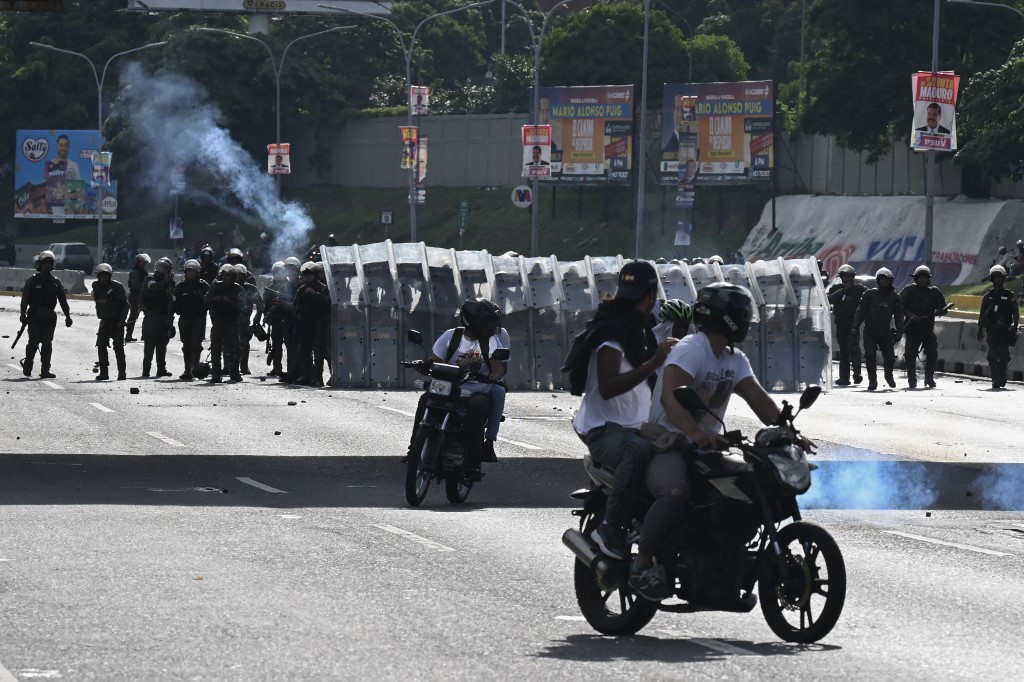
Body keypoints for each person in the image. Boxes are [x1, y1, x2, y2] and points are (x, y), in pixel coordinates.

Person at [637, 282, 813, 603]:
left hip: (706, 446)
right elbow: (671, 396)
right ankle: (643, 563)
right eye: (742, 313)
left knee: (746, 494)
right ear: (727, 317)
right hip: (668, 442)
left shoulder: (734, 359)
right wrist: (695, 433)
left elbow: (760, 401)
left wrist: (788, 430)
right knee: (676, 492)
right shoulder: (692, 348)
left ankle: (726, 571)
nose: (747, 320)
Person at [571, 261, 676, 561]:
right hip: (606, 429)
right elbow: (608, 386)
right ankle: (610, 526)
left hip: (638, 424)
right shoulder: (612, 332)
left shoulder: (639, 329)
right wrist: (653, 363)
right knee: (639, 450)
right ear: (652, 295)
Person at [407, 299, 510, 481]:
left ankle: (473, 463)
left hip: (478, 388)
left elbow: (498, 369)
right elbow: (436, 362)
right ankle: (414, 447)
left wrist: (494, 375)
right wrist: (425, 366)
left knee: (478, 409)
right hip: (451, 386)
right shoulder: (450, 337)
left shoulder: (492, 341)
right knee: (425, 400)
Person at [19, 250, 72, 379]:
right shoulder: (32, 281)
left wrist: (68, 316)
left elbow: (62, 300)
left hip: (49, 317)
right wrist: (22, 313)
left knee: (47, 344)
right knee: (34, 342)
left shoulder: (55, 282)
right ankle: (28, 365)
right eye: (45, 263)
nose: (47, 266)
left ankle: (45, 370)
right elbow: (25, 298)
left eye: (50, 263)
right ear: (40, 265)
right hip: (34, 317)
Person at [850, 267, 904, 391]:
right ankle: (872, 380)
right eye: (881, 279)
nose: (883, 282)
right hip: (869, 331)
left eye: (886, 279)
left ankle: (888, 375)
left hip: (885, 332)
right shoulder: (869, 294)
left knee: (890, 357)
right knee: (870, 356)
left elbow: (899, 316)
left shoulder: (895, 298)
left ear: (890, 281)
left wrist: (900, 330)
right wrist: (855, 327)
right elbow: (860, 311)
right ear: (878, 280)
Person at [899, 265, 948, 389]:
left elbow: (943, 307)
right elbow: (899, 306)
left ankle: (929, 378)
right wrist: (911, 315)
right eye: (920, 278)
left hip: (927, 328)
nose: (922, 280)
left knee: (932, 353)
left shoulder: (934, 292)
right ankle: (912, 379)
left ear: (928, 279)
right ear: (915, 279)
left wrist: (940, 311)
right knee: (910, 354)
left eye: (924, 278)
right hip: (912, 328)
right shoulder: (908, 291)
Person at [977, 264, 1019, 389]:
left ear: (1004, 278)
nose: (997, 279)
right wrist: (980, 330)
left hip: (1005, 330)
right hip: (991, 330)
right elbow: (982, 315)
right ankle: (995, 379)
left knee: (1004, 354)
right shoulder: (987, 297)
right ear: (992, 279)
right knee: (993, 355)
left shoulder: (1010, 295)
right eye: (995, 277)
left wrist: (1015, 327)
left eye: (1000, 277)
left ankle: (1003, 376)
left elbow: (1015, 312)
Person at [290, 261, 330, 386]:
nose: (307, 277)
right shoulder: (301, 290)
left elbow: (327, 305)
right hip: (305, 325)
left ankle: (318, 378)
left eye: (310, 275)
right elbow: (296, 307)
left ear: (316, 275)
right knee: (304, 350)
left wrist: (315, 295)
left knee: (319, 351)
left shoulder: (323, 288)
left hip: (319, 324)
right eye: (305, 275)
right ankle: (307, 375)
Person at [827, 264, 867, 386]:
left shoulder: (859, 289)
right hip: (841, 323)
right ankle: (844, 377)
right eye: (844, 276)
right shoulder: (836, 289)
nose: (847, 278)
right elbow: (829, 299)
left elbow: (869, 298)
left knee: (854, 348)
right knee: (843, 350)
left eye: (849, 276)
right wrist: (843, 290)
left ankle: (857, 374)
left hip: (853, 323)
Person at [204, 263, 243, 382]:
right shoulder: (215, 286)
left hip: (232, 322)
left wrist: (229, 301)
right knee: (216, 348)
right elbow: (205, 300)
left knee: (235, 349)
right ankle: (216, 374)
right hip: (218, 321)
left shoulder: (238, 288)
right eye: (224, 275)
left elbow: (242, 306)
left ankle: (234, 373)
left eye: (229, 275)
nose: (226, 277)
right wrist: (215, 299)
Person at [91, 263, 128, 381]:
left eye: (106, 275)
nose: (103, 278)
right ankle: (104, 373)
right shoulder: (96, 286)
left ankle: (122, 372)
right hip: (104, 321)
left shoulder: (117, 287)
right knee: (101, 346)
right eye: (101, 275)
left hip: (117, 322)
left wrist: (122, 321)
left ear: (110, 275)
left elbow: (126, 305)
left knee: (118, 347)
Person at [173, 259, 210, 381]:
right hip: (184, 319)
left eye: (193, 271)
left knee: (196, 345)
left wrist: (202, 298)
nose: (190, 273)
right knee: (186, 345)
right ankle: (187, 370)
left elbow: (210, 302)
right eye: (188, 270)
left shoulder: (203, 285)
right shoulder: (180, 286)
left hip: (198, 319)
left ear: (197, 272)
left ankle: (194, 370)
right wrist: (169, 321)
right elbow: (173, 304)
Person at [140, 257, 175, 378]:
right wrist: (165, 281)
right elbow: (154, 287)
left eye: (165, 268)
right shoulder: (150, 279)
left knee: (162, 345)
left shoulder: (170, 283)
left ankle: (161, 369)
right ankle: (146, 370)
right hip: (152, 315)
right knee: (149, 345)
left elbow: (172, 300)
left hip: (164, 316)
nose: (161, 269)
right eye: (160, 267)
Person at [263, 261, 293, 377]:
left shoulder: (289, 286)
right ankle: (277, 368)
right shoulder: (270, 288)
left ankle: (291, 369)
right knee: (276, 345)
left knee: (289, 344)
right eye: (276, 272)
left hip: (287, 318)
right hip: (275, 320)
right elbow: (266, 305)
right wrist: (267, 317)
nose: (278, 274)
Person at [234, 263, 264, 376]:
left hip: (245, 320)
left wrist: (258, 317)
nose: (238, 277)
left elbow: (260, 304)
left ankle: (244, 366)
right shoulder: (228, 287)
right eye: (236, 275)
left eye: (241, 275)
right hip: (230, 319)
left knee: (245, 343)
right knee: (228, 344)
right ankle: (228, 367)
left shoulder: (251, 289)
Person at [125, 253, 150, 342]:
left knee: (148, 315)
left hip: (143, 296)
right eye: (143, 263)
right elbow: (134, 285)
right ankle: (128, 335)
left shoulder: (142, 272)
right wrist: (145, 285)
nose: (144, 264)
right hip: (135, 296)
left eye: (145, 263)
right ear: (138, 263)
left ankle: (145, 335)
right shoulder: (135, 272)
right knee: (133, 316)